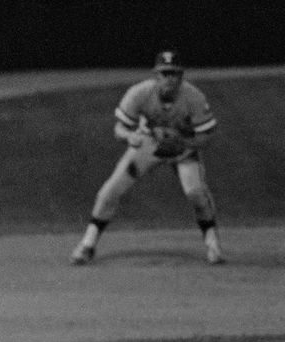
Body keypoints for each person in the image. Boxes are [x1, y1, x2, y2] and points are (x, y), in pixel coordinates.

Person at [71, 50, 224, 266]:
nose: (169, 78)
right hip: (148, 143)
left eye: (174, 73)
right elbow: (119, 128)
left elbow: (207, 135)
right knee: (110, 190)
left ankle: (212, 243)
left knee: (196, 192)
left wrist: (185, 144)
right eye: (164, 73)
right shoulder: (139, 93)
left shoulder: (194, 97)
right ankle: (87, 244)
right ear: (156, 75)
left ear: (181, 76)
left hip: (183, 148)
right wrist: (129, 135)